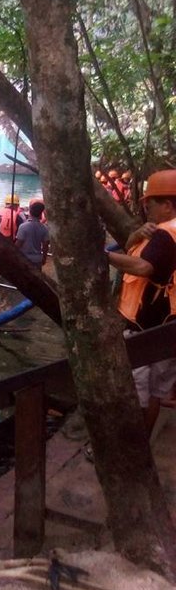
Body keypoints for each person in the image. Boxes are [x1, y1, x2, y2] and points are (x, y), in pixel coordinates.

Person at [107, 170, 176, 436]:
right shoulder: (159, 233)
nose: (146, 208)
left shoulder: (165, 235)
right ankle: (142, 445)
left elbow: (144, 267)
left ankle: (131, 450)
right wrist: (135, 236)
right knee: (157, 391)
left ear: (168, 205)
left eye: (151, 204)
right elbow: (139, 253)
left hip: (146, 326)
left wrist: (103, 257)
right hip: (167, 327)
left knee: (137, 393)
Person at [15, 201, 50, 269]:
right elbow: (45, 246)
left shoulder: (23, 227)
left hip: (24, 258)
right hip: (37, 259)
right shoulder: (44, 228)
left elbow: (18, 244)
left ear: (30, 212)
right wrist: (44, 258)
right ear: (41, 214)